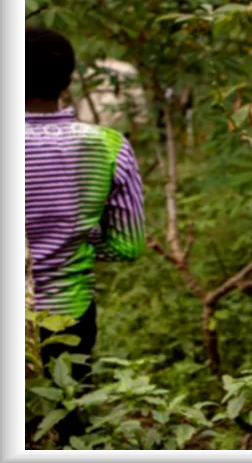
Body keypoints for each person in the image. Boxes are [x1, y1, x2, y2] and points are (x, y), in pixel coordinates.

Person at [24, 27, 146, 443]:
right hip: (68, 317)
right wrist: (79, 237)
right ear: (70, 80)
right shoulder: (108, 145)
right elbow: (127, 246)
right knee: (64, 420)